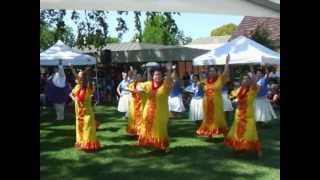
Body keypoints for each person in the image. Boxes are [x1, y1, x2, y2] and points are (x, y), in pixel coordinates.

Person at [224, 67, 262, 157]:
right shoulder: (239, 89)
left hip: (248, 115)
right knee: (237, 132)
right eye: (244, 79)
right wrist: (233, 100)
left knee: (250, 133)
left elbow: (254, 82)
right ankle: (238, 148)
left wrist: (252, 70)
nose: (245, 80)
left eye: (247, 79)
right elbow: (231, 95)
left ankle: (257, 149)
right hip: (239, 114)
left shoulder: (253, 89)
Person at [137, 64, 174, 153]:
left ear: (162, 76)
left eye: (159, 75)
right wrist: (141, 90)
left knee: (161, 129)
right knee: (149, 128)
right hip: (148, 111)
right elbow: (138, 85)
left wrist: (169, 71)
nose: (157, 76)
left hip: (161, 112)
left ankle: (165, 145)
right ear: (152, 76)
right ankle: (155, 145)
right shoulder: (148, 84)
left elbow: (169, 80)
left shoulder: (165, 86)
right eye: (155, 74)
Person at [196, 54, 230, 138]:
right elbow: (200, 87)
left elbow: (225, 73)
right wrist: (199, 84)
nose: (211, 72)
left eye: (213, 71)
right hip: (207, 103)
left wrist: (227, 63)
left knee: (218, 118)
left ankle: (224, 133)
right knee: (208, 118)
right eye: (210, 71)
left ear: (216, 72)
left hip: (217, 103)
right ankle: (209, 133)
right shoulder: (205, 81)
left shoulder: (220, 79)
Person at [69, 67, 101, 151]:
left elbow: (92, 89)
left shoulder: (88, 87)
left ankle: (89, 145)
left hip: (87, 113)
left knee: (88, 128)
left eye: (80, 77)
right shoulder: (77, 87)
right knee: (80, 129)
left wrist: (76, 70)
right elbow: (71, 94)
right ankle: (82, 143)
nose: (78, 78)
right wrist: (74, 98)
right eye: (78, 77)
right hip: (79, 113)